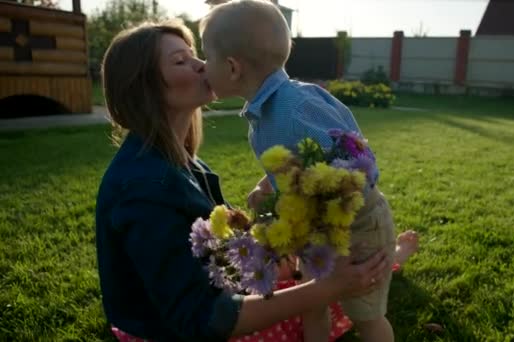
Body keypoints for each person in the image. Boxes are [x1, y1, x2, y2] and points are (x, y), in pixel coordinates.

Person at [95, 20, 392, 342]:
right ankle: (389, 259)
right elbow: (204, 319)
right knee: (330, 293)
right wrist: (328, 289)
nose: (202, 66)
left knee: (306, 268)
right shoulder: (143, 189)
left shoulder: (180, 160)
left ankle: (388, 258)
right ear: (144, 87)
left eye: (196, 55)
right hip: (172, 333)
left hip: (217, 290)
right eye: (181, 61)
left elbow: (213, 259)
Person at [199, 1, 418, 341]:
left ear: (231, 68)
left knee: (367, 317)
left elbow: (358, 168)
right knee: (312, 304)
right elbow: (300, 161)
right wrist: (269, 186)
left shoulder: (297, 108)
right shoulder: (265, 113)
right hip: (317, 230)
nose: (202, 66)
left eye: (205, 57)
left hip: (356, 225)